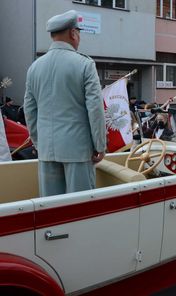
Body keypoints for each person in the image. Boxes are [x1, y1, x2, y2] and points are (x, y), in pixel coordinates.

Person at [24, 10, 106, 197]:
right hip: (78, 151)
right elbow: (95, 109)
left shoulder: (34, 67)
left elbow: (29, 110)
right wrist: (99, 145)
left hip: (46, 151)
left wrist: (39, 142)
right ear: (72, 33)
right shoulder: (85, 64)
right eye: (78, 32)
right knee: (80, 208)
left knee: (51, 209)